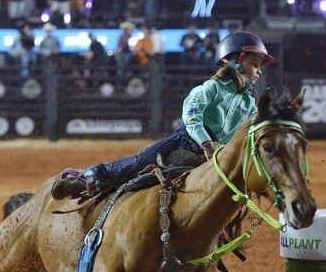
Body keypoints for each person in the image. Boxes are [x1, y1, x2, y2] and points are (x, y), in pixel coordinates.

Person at [51, 31, 275, 199]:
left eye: (259, 65)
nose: (259, 70)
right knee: (140, 165)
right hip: (185, 144)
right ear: (233, 62)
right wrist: (207, 144)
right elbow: (192, 118)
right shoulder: (211, 88)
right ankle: (88, 178)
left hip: (218, 157)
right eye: (254, 64)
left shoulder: (249, 103)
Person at [114, 21, 135, 88]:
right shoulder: (124, 36)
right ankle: (120, 85)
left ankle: (122, 84)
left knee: (123, 70)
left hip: (124, 54)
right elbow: (122, 47)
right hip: (122, 54)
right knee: (121, 70)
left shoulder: (127, 36)